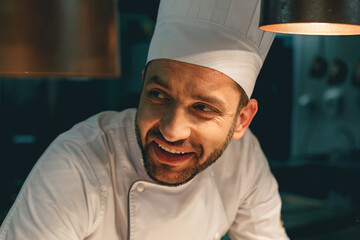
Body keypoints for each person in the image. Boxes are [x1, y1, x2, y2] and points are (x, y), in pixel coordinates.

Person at [0, 0, 289, 239]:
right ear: (142, 87)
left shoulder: (244, 159)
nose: (172, 130)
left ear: (241, 120)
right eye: (159, 95)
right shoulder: (77, 162)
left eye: (203, 108)